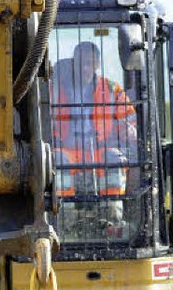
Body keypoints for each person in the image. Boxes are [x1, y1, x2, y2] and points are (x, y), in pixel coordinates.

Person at [50, 41, 137, 230]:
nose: (85, 68)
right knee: (57, 158)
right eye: (81, 63)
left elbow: (128, 118)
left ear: (97, 64)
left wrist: (129, 131)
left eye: (90, 63)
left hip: (99, 151)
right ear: (74, 63)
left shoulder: (112, 90)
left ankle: (112, 216)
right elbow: (40, 118)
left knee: (114, 157)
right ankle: (64, 219)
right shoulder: (53, 90)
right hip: (67, 150)